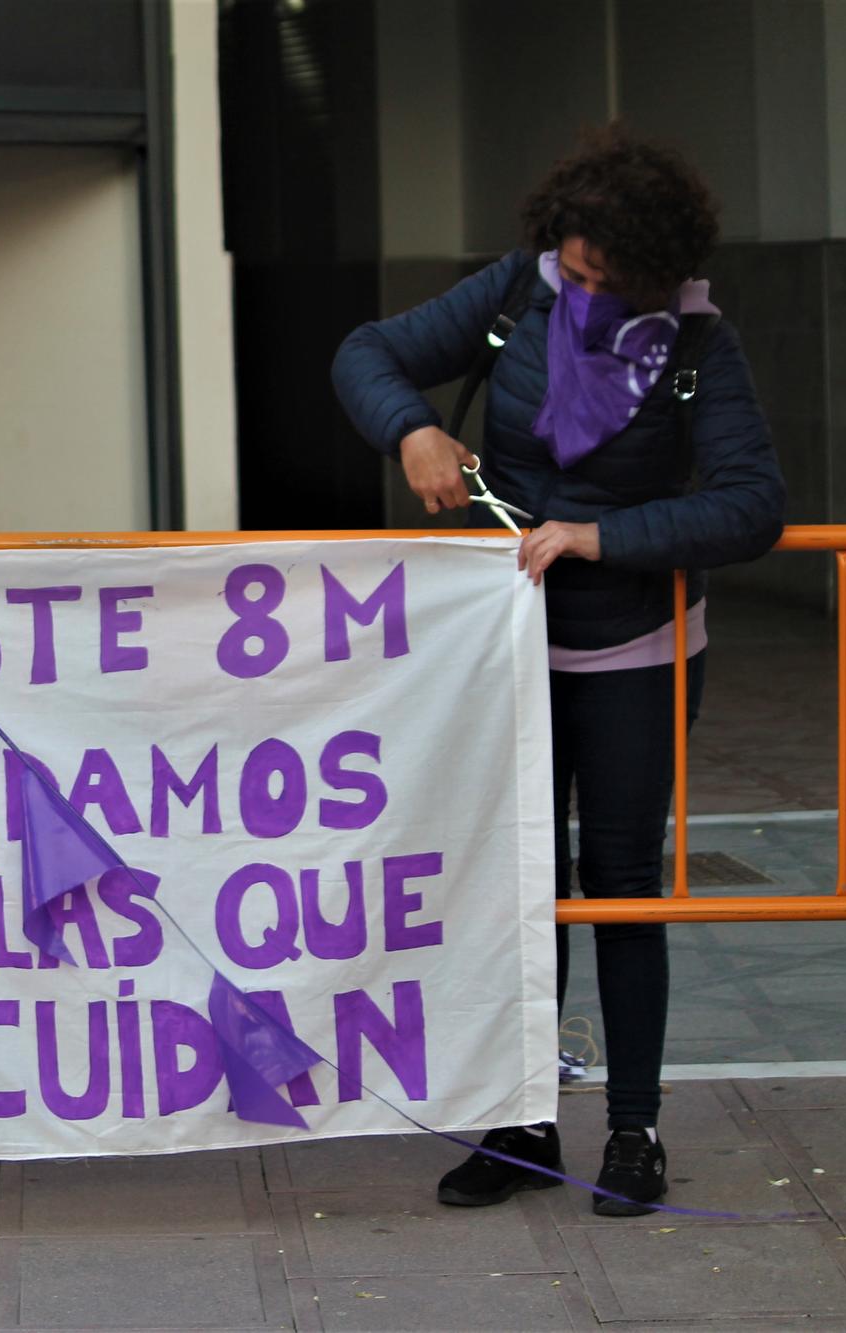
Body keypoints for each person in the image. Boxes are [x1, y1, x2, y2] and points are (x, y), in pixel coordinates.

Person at [332, 124, 785, 1215]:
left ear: (653, 270)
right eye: (570, 261)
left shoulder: (694, 344)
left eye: (601, 274)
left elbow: (752, 503)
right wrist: (410, 434)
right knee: (519, 885)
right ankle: (521, 1120)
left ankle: (632, 1131)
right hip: (507, 651)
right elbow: (365, 353)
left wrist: (599, 536)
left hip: (635, 646)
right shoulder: (513, 294)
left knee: (619, 889)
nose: (578, 283)